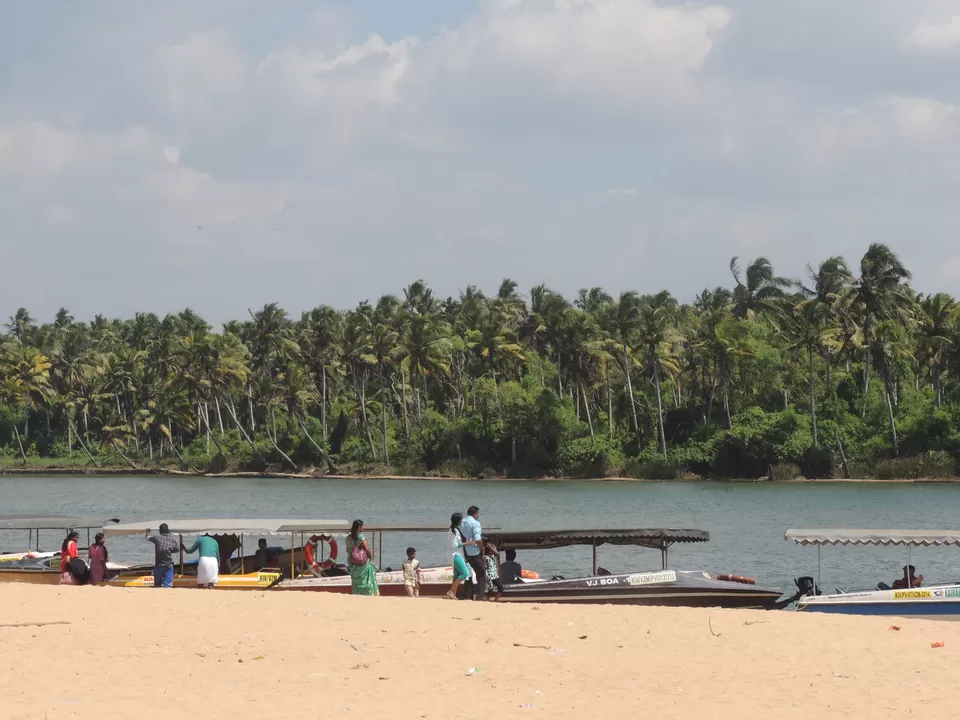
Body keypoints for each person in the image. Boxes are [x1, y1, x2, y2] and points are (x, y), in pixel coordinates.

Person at [345, 519, 379, 596]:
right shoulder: (361, 537)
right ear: (359, 527)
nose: (363, 528)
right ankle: (368, 593)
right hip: (362, 562)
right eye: (362, 526)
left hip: (352, 563)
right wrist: (371, 558)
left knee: (356, 580)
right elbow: (367, 549)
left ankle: (357, 593)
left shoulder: (347, 538)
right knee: (366, 579)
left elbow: (347, 550)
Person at [461, 505, 485, 600]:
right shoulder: (475, 523)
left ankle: (468, 596)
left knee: (468, 573)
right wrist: (482, 548)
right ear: (475, 513)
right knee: (481, 573)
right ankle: (479, 597)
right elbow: (478, 539)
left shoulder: (462, 522)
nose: (478, 516)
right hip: (474, 552)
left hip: (463, 551)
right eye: (477, 514)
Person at [446, 513, 471, 600]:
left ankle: (453, 594)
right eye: (461, 519)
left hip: (458, 554)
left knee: (456, 575)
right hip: (455, 555)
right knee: (464, 573)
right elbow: (455, 545)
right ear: (458, 520)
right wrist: (466, 543)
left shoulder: (456, 530)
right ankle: (451, 591)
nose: (462, 521)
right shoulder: (453, 531)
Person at [146, 523, 179, 588]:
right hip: (168, 565)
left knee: (157, 584)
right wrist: (170, 550)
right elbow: (177, 549)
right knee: (167, 585)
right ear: (168, 530)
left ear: (160, 530)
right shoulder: (172, 538)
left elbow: (147, 538)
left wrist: (147, 532)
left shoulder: (157, 537)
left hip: (158, 564)